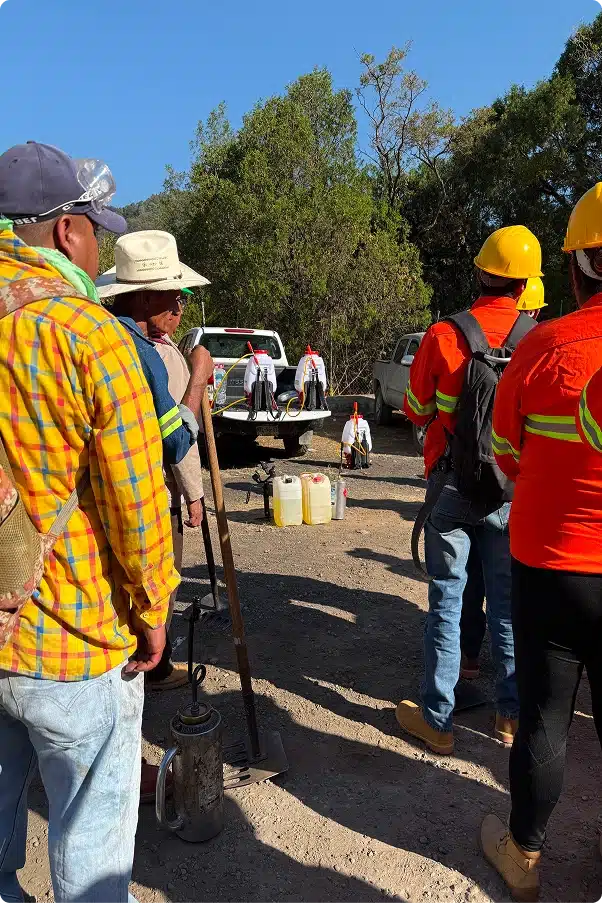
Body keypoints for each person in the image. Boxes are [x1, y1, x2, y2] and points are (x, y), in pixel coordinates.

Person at [0, 142, 178, 902]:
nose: (97, 244)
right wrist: (154, 610)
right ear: (67, 232)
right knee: (91, 861)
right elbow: (136, 507)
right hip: (72, 639)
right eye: (94, 228)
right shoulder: (88, 335)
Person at [482, 184, 602, 901]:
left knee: (546, 716)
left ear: (578, 266)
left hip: (551, 565)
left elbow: (505, 457)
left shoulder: (543, 347)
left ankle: (524, 854)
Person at [397, 225, 542, 755]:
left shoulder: (443, 335)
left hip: (451, 489)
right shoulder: (536, 342)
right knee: (506, 607)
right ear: (525, 286)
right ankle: (509, 716)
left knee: (447, 599)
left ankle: (437, 720)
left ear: (479, 273)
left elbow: (415, 408)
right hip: (509, 493)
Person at [96, 231, 213, 693]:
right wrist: (199, 380)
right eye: (174, 295)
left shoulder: (101, 337)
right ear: (145, 296)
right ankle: (152, 664)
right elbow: (176, 441)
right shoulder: (143, 355)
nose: (181, 308)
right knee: (155, 586)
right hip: (140, 504)